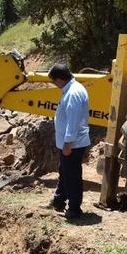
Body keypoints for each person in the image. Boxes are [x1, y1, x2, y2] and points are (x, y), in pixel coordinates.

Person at [47, 63, 90, 219]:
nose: (54, 85)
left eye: (54, 82)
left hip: (72, 144)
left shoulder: (73, 93)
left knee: (72, 176)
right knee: (64, 172)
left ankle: (74, 208)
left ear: (59, 79)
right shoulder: (71, 89)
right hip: (69, 142)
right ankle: (59, 200)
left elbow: (73, 120)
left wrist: (67, 143)